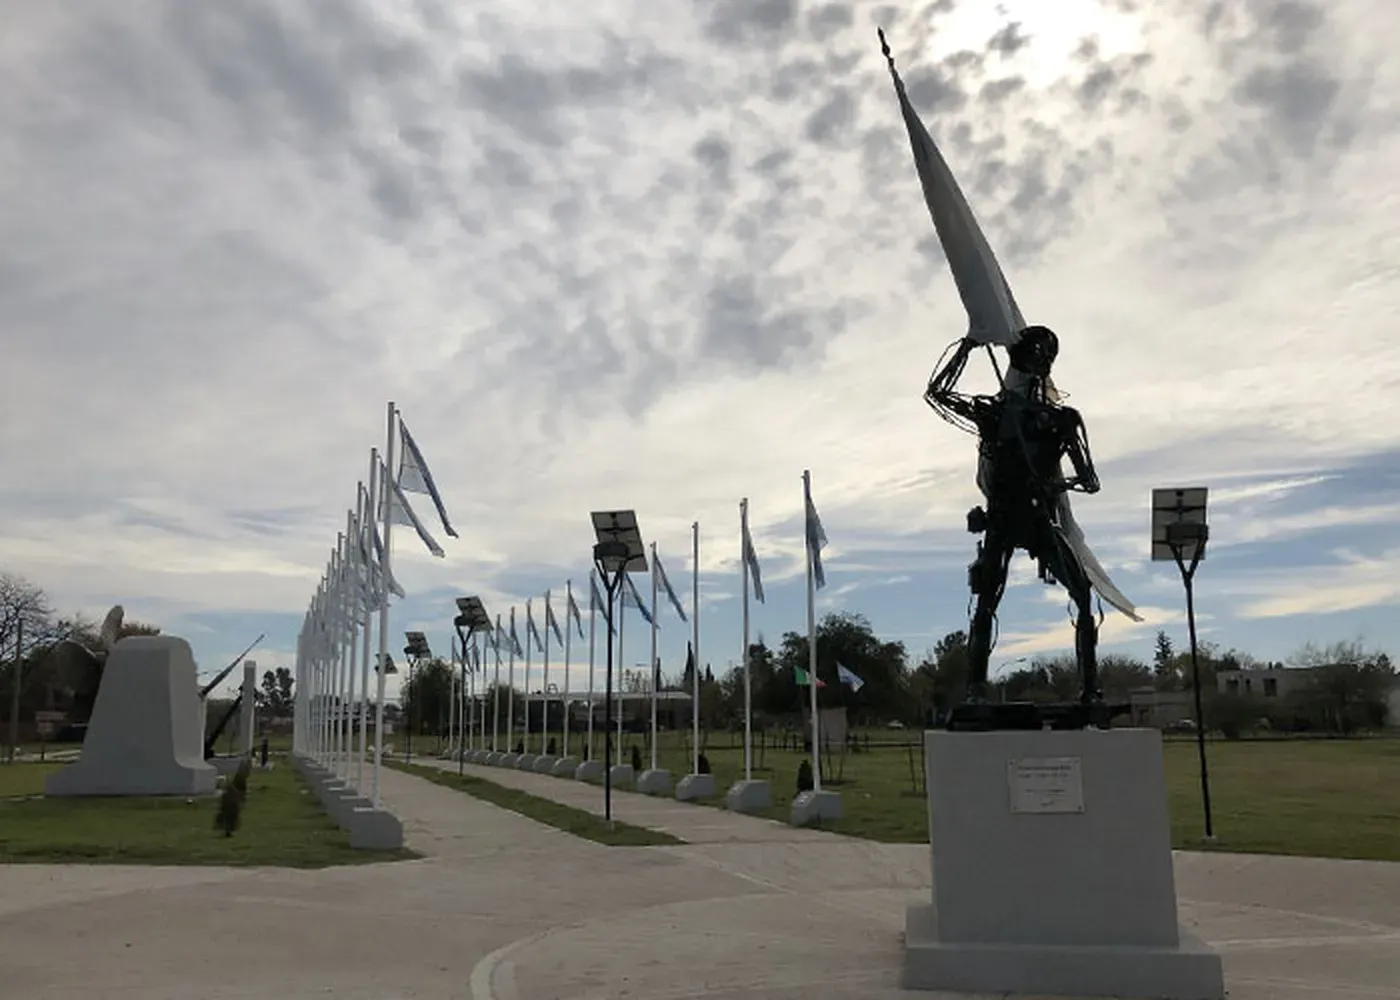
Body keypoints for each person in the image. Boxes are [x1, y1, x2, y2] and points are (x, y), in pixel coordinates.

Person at [924, 325, 1104, 706]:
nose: (1040, 363)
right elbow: (936, 394)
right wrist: (969, 345)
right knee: (986, 600)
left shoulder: (1062, 420)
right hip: (1003, 518)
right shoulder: (995, 412)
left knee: (1083, 594)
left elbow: (1089, 480)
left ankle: (1090, 689)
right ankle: (975, 687)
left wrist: (1052, 484)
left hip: (1039, 518)